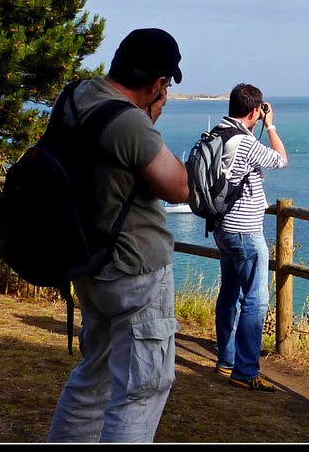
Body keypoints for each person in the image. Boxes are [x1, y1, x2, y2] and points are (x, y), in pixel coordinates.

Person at [47, 28, 189, 442]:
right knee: (141, 390)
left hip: (89, 261)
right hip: (135, 270)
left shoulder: (75, 96)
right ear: (159, 83)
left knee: (92, 380)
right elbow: (178, 185)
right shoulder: (129, 122)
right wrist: (150, 120)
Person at [212, 83, 288, 392]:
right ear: (255, 110)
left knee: (230, 294)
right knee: (256, 300)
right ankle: (245, 370)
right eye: (259, 111)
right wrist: (270, 126)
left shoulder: (217, 134)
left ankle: (226, 359)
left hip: (221, 228)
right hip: (245, 231)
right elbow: (281, 159)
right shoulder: (244, 142)